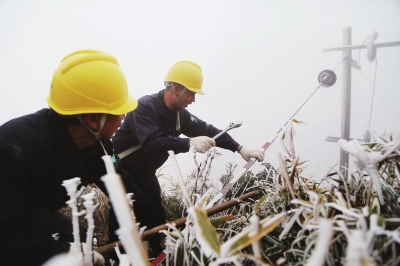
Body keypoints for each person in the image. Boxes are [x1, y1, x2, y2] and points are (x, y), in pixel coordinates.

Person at [0, 50, 159, 265]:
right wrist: (65, 253)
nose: (124, 117)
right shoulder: (16, 150)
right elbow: (9, 238)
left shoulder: (98, 146)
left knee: (81, 236)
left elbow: (123, 187)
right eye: (119, 110)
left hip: (36, 212)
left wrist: (161, 225)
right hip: (10, 222)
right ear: (94, 118)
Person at [112, 60, 265, 256]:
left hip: (144, 173)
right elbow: (151, 143)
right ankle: (114, 258)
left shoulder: (179, 115)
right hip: (120, 169)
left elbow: (208, 130)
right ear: (176, 89)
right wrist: (188, 143)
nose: (193, 99)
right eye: (191, 93)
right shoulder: (144, 107)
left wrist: (240, 148)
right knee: (130, 213)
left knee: (156, 215)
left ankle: (157, 256)